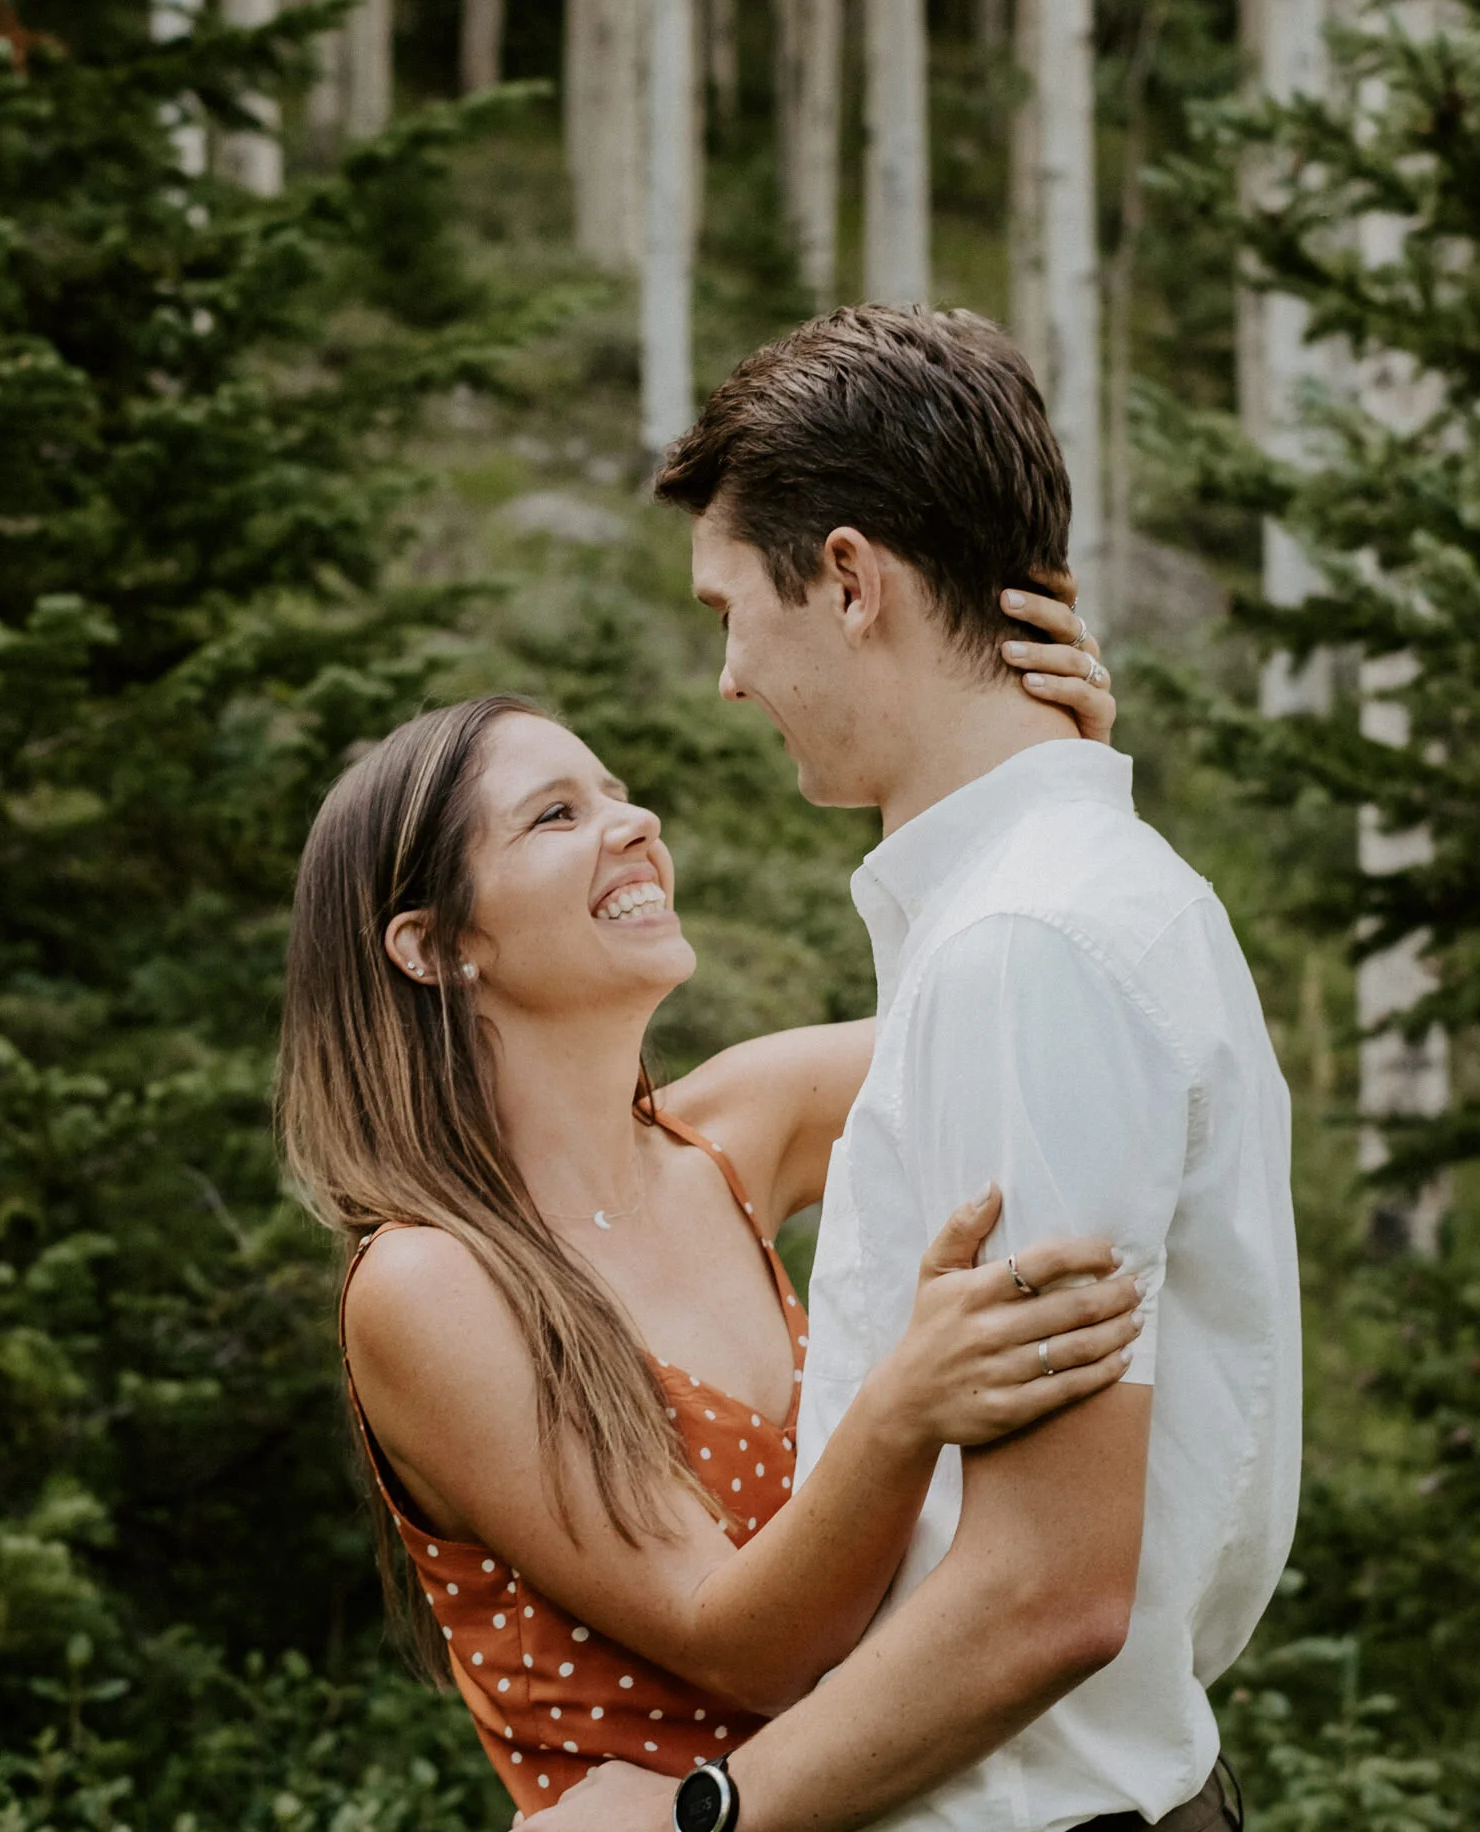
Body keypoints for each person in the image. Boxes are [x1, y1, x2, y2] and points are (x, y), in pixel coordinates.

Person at [524, 307, 1301, 1832]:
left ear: (851, 580)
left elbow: (1043, 1595)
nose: (729, 680)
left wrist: (711, 1820)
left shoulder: (1031, 943)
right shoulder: (1047, 912)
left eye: (729, 610)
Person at [275, 613, 1140, 1814]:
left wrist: (1055, 779)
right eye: (556, 816)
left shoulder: (736, 1125)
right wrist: (904, 1404)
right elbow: (742, 1642)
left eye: (617, 793)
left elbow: (1050, 993)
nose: (636, 824)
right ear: (435, 946)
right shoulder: (432, 1284)